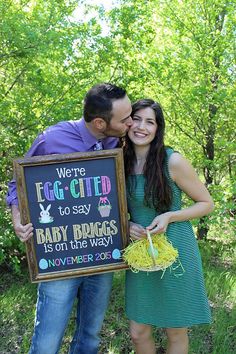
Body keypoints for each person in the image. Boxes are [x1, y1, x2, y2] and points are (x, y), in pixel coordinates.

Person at [6, 83, 133, 354]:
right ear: (100, 123)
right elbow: (18, 183)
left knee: (90, 337)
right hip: (58, 256)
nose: (131, 123)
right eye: (125, 119)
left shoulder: (117, 140)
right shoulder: (52, 140)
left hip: (102, 255)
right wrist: (18, 220)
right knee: (47, 342)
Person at [123, 99, 214, 354]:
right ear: (127, 122)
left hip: (176, 251)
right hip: (139, 253)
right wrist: (127, 224)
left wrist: (170, 216)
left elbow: (206, 203)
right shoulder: (118, 161)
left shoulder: (172, 161)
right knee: (138, 332)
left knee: (175, 329)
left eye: (149, 122)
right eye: (137, 119)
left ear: (157, 128)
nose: (141, 127)